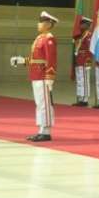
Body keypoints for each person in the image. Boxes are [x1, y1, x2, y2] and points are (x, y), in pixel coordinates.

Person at [11, 10, 59, 142]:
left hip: (43, 75)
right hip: (36, 75)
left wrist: (50, 76)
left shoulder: (49, 39)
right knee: (39, 104)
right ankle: (41, 130)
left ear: (48, 24)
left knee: (45, 104)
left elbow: (51, 59)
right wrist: (21, 61)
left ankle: (46, 132)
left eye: (41, 22)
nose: (38, 24)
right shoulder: (39, 38)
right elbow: (36, 59)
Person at [73, 15, 93, 106]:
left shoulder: (88, 35)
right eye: (81, 24)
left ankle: (85, 99)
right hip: (79, 60)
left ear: (87, 25)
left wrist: (88, 61)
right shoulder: (81, 35)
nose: (80, 26)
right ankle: (80, 97)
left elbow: (90, 49)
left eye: (83, 24)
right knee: (80, 80)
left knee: (84, 80)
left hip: (85, 60)